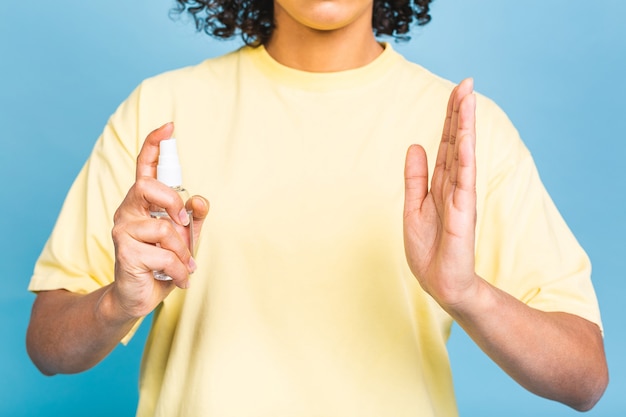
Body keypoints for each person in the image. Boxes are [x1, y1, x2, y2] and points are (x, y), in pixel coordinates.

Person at [26, 0, 608, 416]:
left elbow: (585, 380)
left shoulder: (462, 132)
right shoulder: (161, 111)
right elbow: (48, 346)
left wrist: (468, 293)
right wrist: (116, 305)